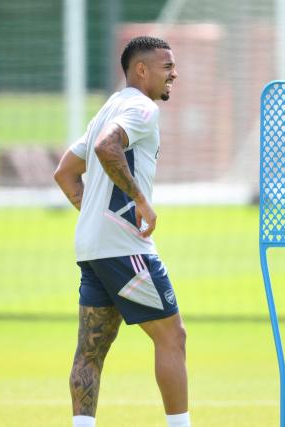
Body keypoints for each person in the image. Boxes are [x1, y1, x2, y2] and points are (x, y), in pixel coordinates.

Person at [53, 36, 189, 427]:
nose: (174, 74)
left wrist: (94, 213)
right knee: (172, 337)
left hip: (93, 248)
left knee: (90, 352)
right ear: (141, 70)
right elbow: (106, 147)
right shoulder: (142, 109)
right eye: (167, 67)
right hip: (126, 248)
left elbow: (64, 172)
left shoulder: (108, 108)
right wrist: (141, 202)